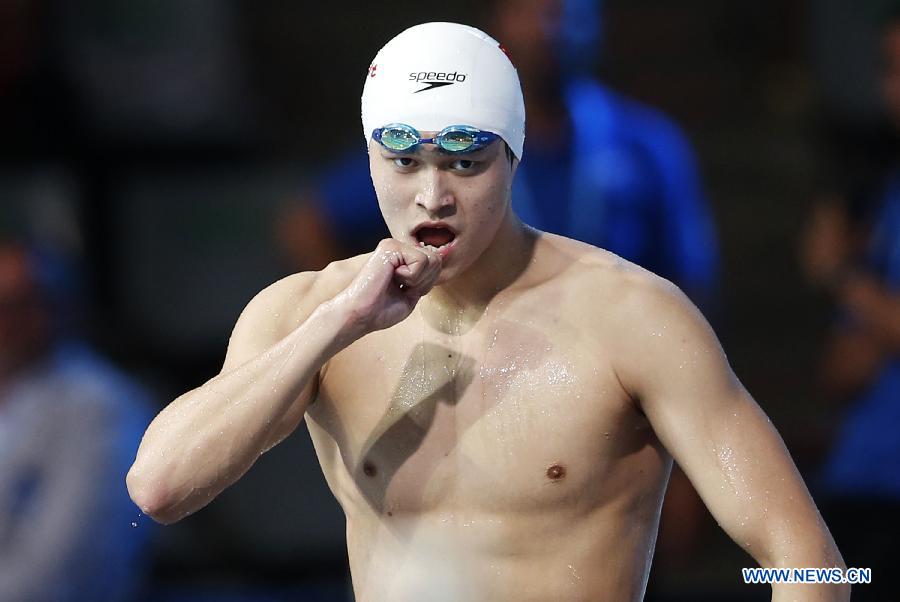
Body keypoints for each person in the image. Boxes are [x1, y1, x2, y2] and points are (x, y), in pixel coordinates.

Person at [129, 23, 847, 601]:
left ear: (514, 155)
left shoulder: (633, 317)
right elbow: (159, 487)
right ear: (370, 160)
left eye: (465, 161)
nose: (433, 195)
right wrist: (339, 325)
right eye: (404, 160)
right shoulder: (310, 316)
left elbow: (809, 559)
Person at [278, 0, 718, 314]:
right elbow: (310, 221)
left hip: (610, 350)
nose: (550, 28)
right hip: (476, 340)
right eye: (532, 11)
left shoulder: (648, 141)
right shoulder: (448, 131)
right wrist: (366, 310)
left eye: (567, 12)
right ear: (498, 23)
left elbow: (691, 277)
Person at [800, 9, 900, 602]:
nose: (893, 88)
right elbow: (840, 369)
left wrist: (841, 275)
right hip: (861, 486)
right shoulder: (889, 191)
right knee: (794, 580)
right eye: (889, 69)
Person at [0, 241, 155, 601]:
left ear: (59, 307)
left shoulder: (102, 408)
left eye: (17, 305)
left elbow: (63, 572)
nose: (5, 322)